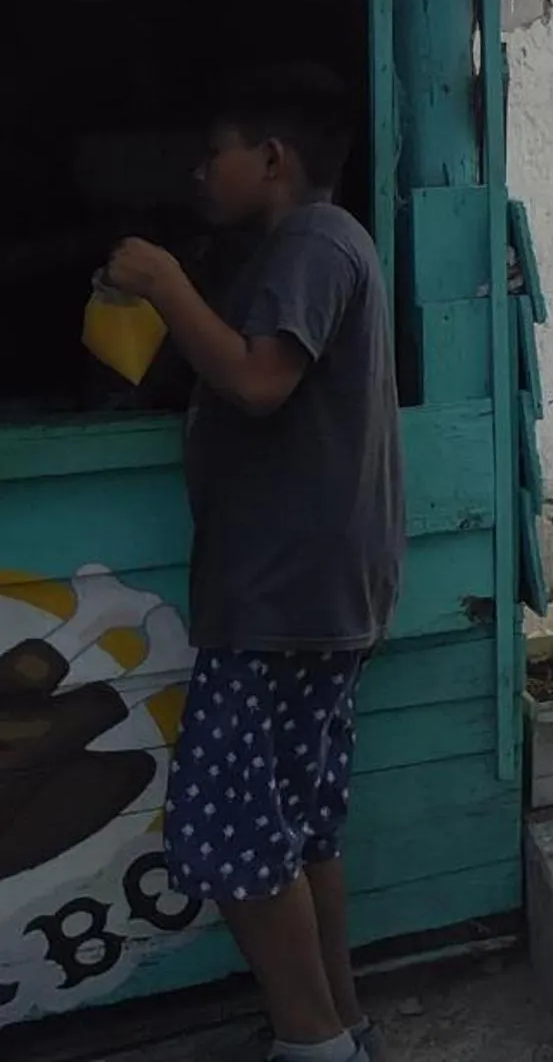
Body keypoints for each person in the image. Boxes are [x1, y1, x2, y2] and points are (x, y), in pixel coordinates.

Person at [100, 64, 404, 1062]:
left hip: (280, 594)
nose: (197, 171)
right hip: (319, 591)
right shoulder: (319, 244)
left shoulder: (314, 240)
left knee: (230, 837)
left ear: (272, 159)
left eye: (215, 152)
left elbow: (262, 380)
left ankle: (312, 1044)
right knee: (300, 828)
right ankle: (342, 1027)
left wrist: (165, 284)